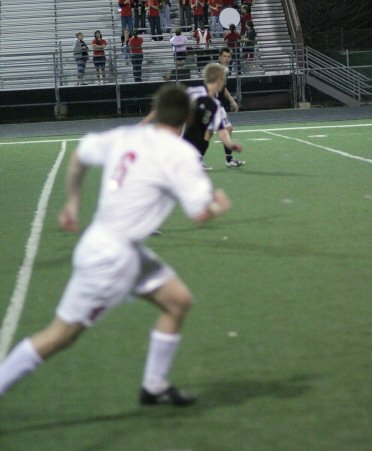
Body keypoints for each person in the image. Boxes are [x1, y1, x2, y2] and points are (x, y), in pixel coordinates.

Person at [0, 85, 231, 406]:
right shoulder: (180, 155)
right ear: (189, 117)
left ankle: (153, 386)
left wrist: (72, 203)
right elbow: (201, 214)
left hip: (117, 247)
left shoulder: (128, 136)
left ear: (156, 110)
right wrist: (218, 204)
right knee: (60, 336)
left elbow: (80, 153)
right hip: (111, 259)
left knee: (177, 301)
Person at [183, 62, 243, 170]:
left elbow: (222, 131)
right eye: (223, 78)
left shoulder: (216, 106)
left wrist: (231, 145)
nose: (224, 81)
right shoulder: (193, 93)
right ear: (219, 79)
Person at [217, 47, 245, 168]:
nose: (227, 59)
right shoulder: (217, 70)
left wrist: (232, 101)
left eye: (229, 57)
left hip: (218, 104)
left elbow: (223, 89)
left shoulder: (225, 70)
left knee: (228, 129)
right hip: (213, 104)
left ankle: (229, 159)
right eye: (224, 56)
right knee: (204, 133)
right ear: (219, 57)